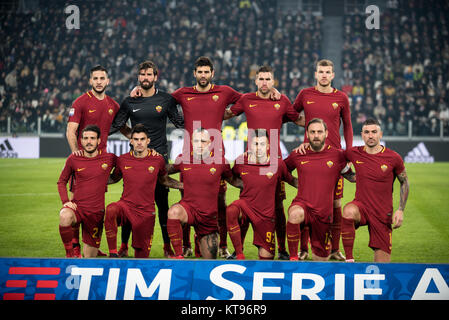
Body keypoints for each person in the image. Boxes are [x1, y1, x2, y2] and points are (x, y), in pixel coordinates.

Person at [223, 65, 304, 259]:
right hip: (250, 161)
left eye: (268, 79)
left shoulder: (282, 100)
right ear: (255, 81)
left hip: (273, 162)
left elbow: (297, 119)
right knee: (244, 205)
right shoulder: (246, 99)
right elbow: (227, 114)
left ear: (273, 81)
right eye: (261, 79)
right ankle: (238, 249)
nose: (264, 82)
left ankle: (283, 249)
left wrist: (321, 126)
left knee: (277, 207)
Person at [110, 60, 184, 258]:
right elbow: (118, 124)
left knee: (162, 204)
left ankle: (168, 246)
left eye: (149, 74)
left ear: (155, 77)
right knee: (129, 203)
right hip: (136, 159)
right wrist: (135, 141)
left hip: (159, 158)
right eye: (142, 74)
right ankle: (124, 245)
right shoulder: (129, 102)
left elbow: (179, 122)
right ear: (138, 77)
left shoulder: (166, 100)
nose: (145, 78)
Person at [292, 59, 353, 261]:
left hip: (333, 159)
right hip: (309, 155)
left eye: (328, 72)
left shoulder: (341, 97)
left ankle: (334, 249)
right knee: (306, 202)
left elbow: (349, 127)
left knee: (335, 203)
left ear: (333, 75)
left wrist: (349, 154)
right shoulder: (305, 94)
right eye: (321, 71)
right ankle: (303, 248)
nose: (324, 75)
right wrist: (308, 132)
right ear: (316, 74)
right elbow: (291, 113)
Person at [105, 124, 183, 258]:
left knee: (142, 257)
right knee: (111, 209)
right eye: (136, 139)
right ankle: (113, 253)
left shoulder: (157, 159)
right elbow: (114, 178)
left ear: (148, 141)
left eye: (142, 139)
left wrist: (186, 186)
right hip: (126, 206)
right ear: (131, 141)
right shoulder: (122, 160)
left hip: (146, 212)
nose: (139, 143)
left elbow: (164, 180)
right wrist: (92, 179)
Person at [66, 65, 120, 257]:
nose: (98, 81)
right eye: (95, 78)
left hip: (101, 164)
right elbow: (71, 130)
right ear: (90, 81)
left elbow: (123, 126)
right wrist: (76, 156)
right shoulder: (80, 102)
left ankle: (91, 246)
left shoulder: (113, 105)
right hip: (83, 161)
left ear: (108, 81)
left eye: (102, 78)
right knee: (77, 203)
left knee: (96, 206)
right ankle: (74, 247)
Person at [166, 128, 243, 259]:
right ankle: (179, 256)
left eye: (203, 141)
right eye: (196, 141)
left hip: (208, 217)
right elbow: (163, 173)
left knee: (210, 261)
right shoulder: (183, 159)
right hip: (188, 209)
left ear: (209, 143)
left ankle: (199, 240)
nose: (199, 144)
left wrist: (255, 184)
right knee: (173, 212)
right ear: (191, 142)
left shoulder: (220, 162)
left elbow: (233, 181)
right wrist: (180, 185)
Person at [284, 118, 355, 261]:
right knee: (294, 215)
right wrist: (294, 181)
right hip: (303, 206)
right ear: (307, 134)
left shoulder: (338, 155)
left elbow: (352, 177)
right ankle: (293, 259)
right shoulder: (298, 154)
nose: (316, 135)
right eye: (312, 132)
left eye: (319, 132)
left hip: (324, 215)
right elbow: (281, 170)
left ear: (326, 133)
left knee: (321, 260)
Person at [342, 118, 409, 262]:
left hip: (382, 213)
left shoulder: (393, 157)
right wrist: (352, 176)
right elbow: (335, 160)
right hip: (361, 207)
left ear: (380, 134)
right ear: (362, 134)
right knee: (348, 211)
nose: (370, 135)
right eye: (367, 132)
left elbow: (404, 182)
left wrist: (400, 210)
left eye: (374, 132)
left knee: (383, 265)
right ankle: (349, 260)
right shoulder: (354, 153)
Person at [227, 129, 298, 260]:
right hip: (246, 206)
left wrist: (313, 186)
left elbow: (292, 180)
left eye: (262, 144)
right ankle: (239, 254)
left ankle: (274, 249)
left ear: (268, 146)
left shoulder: (277, 164)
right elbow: (231, 176)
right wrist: (243, 185)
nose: (258, 148)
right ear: (249, 144)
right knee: (231, 210)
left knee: (267, 259)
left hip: (265, 215)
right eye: (255, 144)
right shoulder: (241, 161)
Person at [57, 125, 116, 258]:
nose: (89, 141)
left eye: (92, 138)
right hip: (78, 208)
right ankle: (69, 254)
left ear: (99, 141)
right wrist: (66, 201)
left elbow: (125, 167)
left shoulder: (110, 158)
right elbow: (61, 181)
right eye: (86, 138)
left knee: (89, 258)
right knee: (64, 215)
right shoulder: (73, 159)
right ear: (81, 141)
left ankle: (93, 254)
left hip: (96, 213)